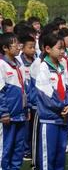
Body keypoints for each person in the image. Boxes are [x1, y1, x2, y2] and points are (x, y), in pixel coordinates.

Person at [36, 34, 68, 170]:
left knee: (60, 150)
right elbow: (45, 93)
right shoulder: (43, 67)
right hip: (50, 117)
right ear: (47, 49)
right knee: (49, 151)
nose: (62, 52)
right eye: (59, 48)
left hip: (63, 116)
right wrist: (61, 106)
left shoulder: (61, 67)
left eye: (63, 49)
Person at [0, 33, 29, 170]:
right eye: (15, 44)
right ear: (5, 48)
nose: (19, 47)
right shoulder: (1, 65)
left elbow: (24, 88)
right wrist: (3, 111)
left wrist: (26, 108)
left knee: (19, 143)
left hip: (20, 111)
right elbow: (1, 91)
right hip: (8, 113)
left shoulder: (18, 63)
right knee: (7, 143)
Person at [17, 33, 36, 161]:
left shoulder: (37, 62)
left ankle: (30, 148)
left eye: (34, 47)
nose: (33, 50)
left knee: (32, 127)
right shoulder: (19, 63)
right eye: (30, 47)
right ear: (22, 48)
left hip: (34, 100)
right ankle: (26, 150)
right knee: (25, 128)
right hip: (24, 101)